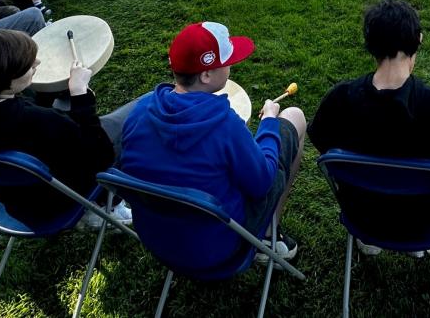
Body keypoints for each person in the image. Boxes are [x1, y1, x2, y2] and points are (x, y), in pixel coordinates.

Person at [308, 0, 430, 250]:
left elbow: (320, 139)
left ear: (369, 43)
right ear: (418, 40)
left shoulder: (339, 99)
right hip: (425, 224)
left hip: (364, 218)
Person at [119, 21, 307, 261]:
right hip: (217, 250)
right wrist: (269, 121)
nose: (231, 65)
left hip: (156, 237)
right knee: (294, 117)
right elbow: (262, 183)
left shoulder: (140, 109)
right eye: (226, 61)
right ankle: (267, 237)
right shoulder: (225, 124)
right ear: (206, 74)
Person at [0, 29, 139, 225]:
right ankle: (108, 206)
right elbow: (101, 156)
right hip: (66, 198)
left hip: (23, 203)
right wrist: (81, 95)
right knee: (141, 110)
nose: (36, 63)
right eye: (26, 65)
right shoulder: (38, 121)